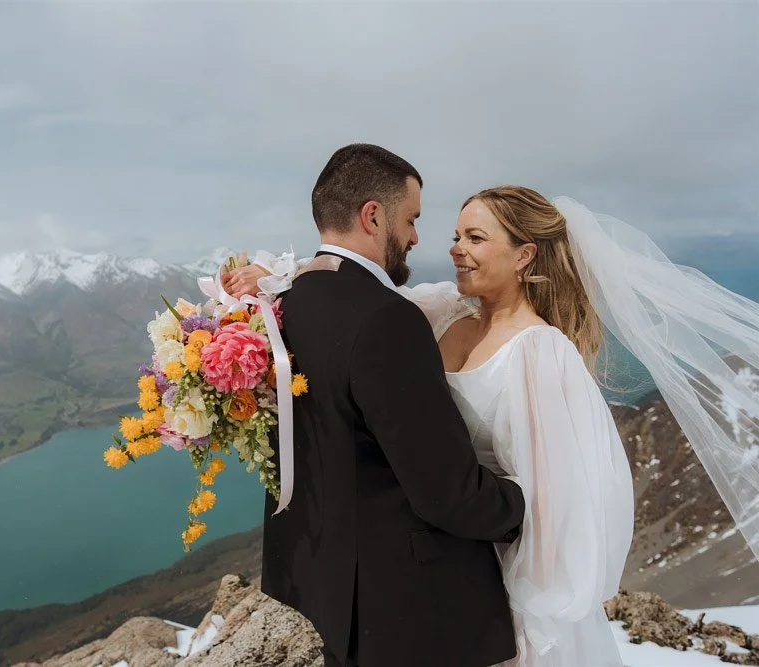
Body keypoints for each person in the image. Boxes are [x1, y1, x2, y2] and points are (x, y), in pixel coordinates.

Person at [226, 174, 759, 665]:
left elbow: (559, 498)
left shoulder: (541, 353)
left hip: (508, 580)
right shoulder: (443, 312)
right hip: (443, 566)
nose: (455, 248)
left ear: (524, 254)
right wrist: (276, 277)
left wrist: (521, 607)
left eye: (476, 239)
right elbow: (354, 298)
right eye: (456, 235)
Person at [247, 143, 528, 667]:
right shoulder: (386, 320)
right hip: (407, 615)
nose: (418, 237)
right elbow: (445, 493)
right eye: (412, 219)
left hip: (336, 593)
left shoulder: (287, 302)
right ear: (373, 217)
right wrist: (519, 507)